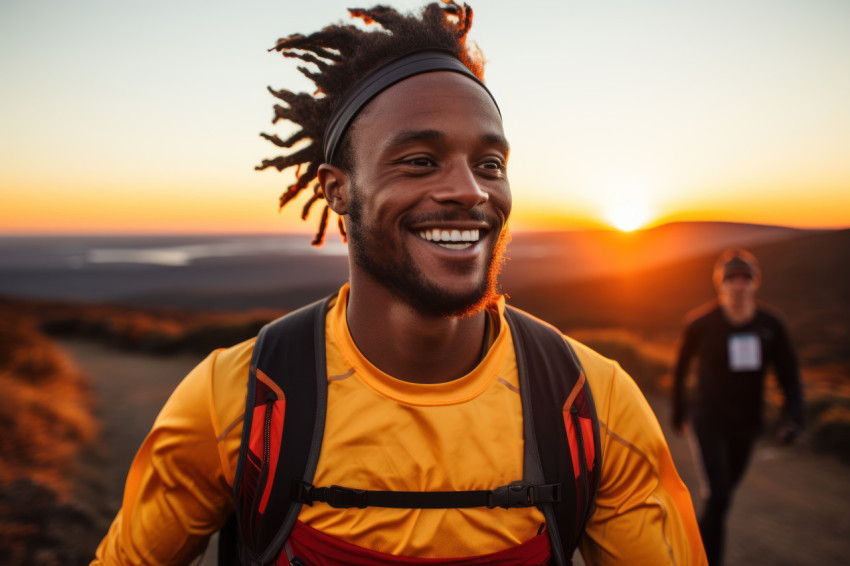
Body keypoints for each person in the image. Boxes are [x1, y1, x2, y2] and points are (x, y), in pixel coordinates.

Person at [93, 3, 706, 565]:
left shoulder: (592, 405)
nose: (470, 190)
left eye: (490, 164)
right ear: (339, 190)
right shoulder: (237, 399)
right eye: (419, 160)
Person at [672, 248, 804, 565]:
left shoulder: (771, 324)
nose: (738, 284)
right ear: (721, 283)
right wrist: (679, 411)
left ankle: (695, 546)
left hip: (747, 423)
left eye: (745, 278)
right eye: (731, 278)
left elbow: (789, 375)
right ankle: (706, 560)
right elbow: (680, 369)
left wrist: (792, 418)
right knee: (718, 495)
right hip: (709, 419)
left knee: (721, 498)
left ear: (755, 282)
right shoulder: (701, 324)